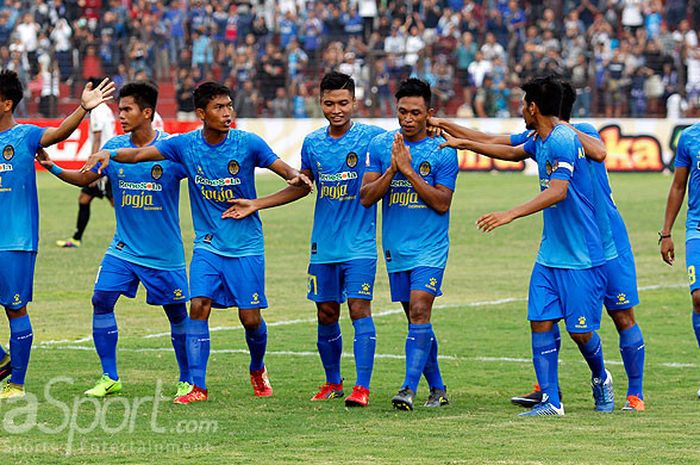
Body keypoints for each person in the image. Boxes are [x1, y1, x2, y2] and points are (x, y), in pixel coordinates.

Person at [80, 81, 312, 404]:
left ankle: (257, 367)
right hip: (206, 244)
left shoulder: (249, 145)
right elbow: (137, 154)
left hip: (245, 245)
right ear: (202, 113)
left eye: (229, 106)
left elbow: (294, 179)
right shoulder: (185, 145)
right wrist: (109, 152)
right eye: (219, 107)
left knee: (250, 319)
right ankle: (197, 386)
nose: (227, 113)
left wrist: (260, 200)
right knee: (198, 306)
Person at [430, 81, 646, 412]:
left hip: (601, 246)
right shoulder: (541, 138)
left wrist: (510, 213)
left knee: (611, 319)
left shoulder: (572, 133)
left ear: (536, 106)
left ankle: (628, 390)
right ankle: (549, 396)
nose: (520, 108)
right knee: (542, 319)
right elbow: (499, 144)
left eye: (524, 103)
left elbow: (597, 155)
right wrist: (454, 134)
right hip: (558, 246)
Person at [38, 81, 192, 400]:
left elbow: (204, 175)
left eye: (127, 109)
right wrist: (52, 166)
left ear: (147, 112)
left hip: (164, 253)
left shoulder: (173, 150)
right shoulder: (112, 147)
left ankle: (187, 379)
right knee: (101, 300)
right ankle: (109, 376)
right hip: (123, 249)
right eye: (120, 109)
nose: (120, 115)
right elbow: (86, 178)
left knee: (177, 313)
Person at [0, 70, 114, 399]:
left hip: (15, 240)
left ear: (7, 104)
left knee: (14, 309)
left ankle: (16, 384)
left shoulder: (26, 138)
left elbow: (60, 132)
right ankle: (2, 361)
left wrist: (84, 108)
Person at [360, 78, 459, 410]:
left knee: (419, 310)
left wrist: (410, 172)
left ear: (429, 113)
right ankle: (439, 388)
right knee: (417, 319)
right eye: (402, 111)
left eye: (416, 112)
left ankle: (407, 388)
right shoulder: (380, 145)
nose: (408, 119)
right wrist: (393, 169)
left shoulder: (442, 150)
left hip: (430, 248)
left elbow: (441, 203)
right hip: (396, 247)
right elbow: (366, 198)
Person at [296, 72, 385, 407]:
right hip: (323, 246)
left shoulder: (374, 138)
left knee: (359, 308)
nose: (337, 109)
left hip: (359, 245)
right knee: (325, 313)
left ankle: (362, 387)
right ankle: (333, 381)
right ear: (320, 102)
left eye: (343, 103)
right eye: (330, 103)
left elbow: (407, 143)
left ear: (354, 102)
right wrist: (258, 203)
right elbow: (303, 183)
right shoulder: (312, 143)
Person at [660, 121, 700, 398]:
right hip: (697, 227)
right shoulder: (690, 137)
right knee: (698, 297)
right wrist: (666, 233)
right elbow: (678, 186)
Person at [56, 76, 116, 248]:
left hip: (103, 164)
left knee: (117, 203)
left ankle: (137, 234)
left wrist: (92, 167)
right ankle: (76, 238)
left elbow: (97, 140)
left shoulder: (97, 110)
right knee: (84, 199)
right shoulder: (106, 109)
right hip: (108, 160)